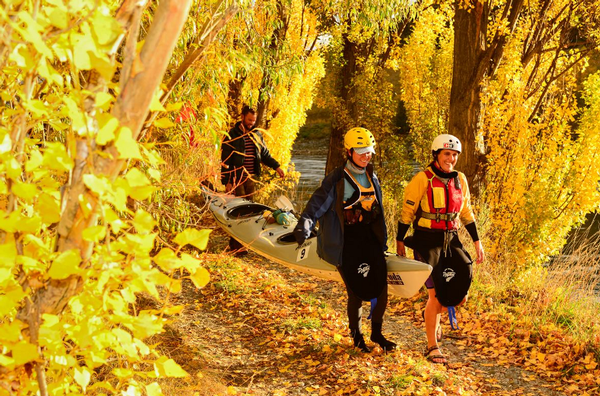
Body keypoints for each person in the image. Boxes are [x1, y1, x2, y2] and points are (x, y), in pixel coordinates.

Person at [293, 127, 396, 353]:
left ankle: (377, 334)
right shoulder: (337, 179)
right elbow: (316, 205)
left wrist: (383, 242)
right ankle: (357, 336)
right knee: (356, 291)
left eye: (368, 151)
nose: (366, 156)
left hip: (369, 239)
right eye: (361, 152)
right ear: (349, 152)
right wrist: (304, 226)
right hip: (345, 241)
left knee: (380, 287)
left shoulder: (372, 176)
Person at [396, 134, 485, 364]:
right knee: (435, 294)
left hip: (451, 238)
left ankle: (431, 315)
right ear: (436, 154)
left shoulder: (460, 179)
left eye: (454, 155)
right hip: (426, 240)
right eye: (447, 154)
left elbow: (466, 213)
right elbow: (407, 213)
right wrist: (399, 243)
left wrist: (477, 242)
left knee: (461, 292)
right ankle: (432, 346)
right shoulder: (422, 178)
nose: (451, 159)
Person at [221, 105, 285, 254]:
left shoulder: (257, 134)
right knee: (238, 212)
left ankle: (243, 244)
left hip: (251, 179)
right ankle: (235, 246)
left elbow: (264, 155)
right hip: (237, 178)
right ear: (242, 117)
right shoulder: (232, 134)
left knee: (249, 213)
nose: (251, 123)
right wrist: (227, 181)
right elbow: (225, 160)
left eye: (253, 120)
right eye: (249, 120)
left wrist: (277, 167)